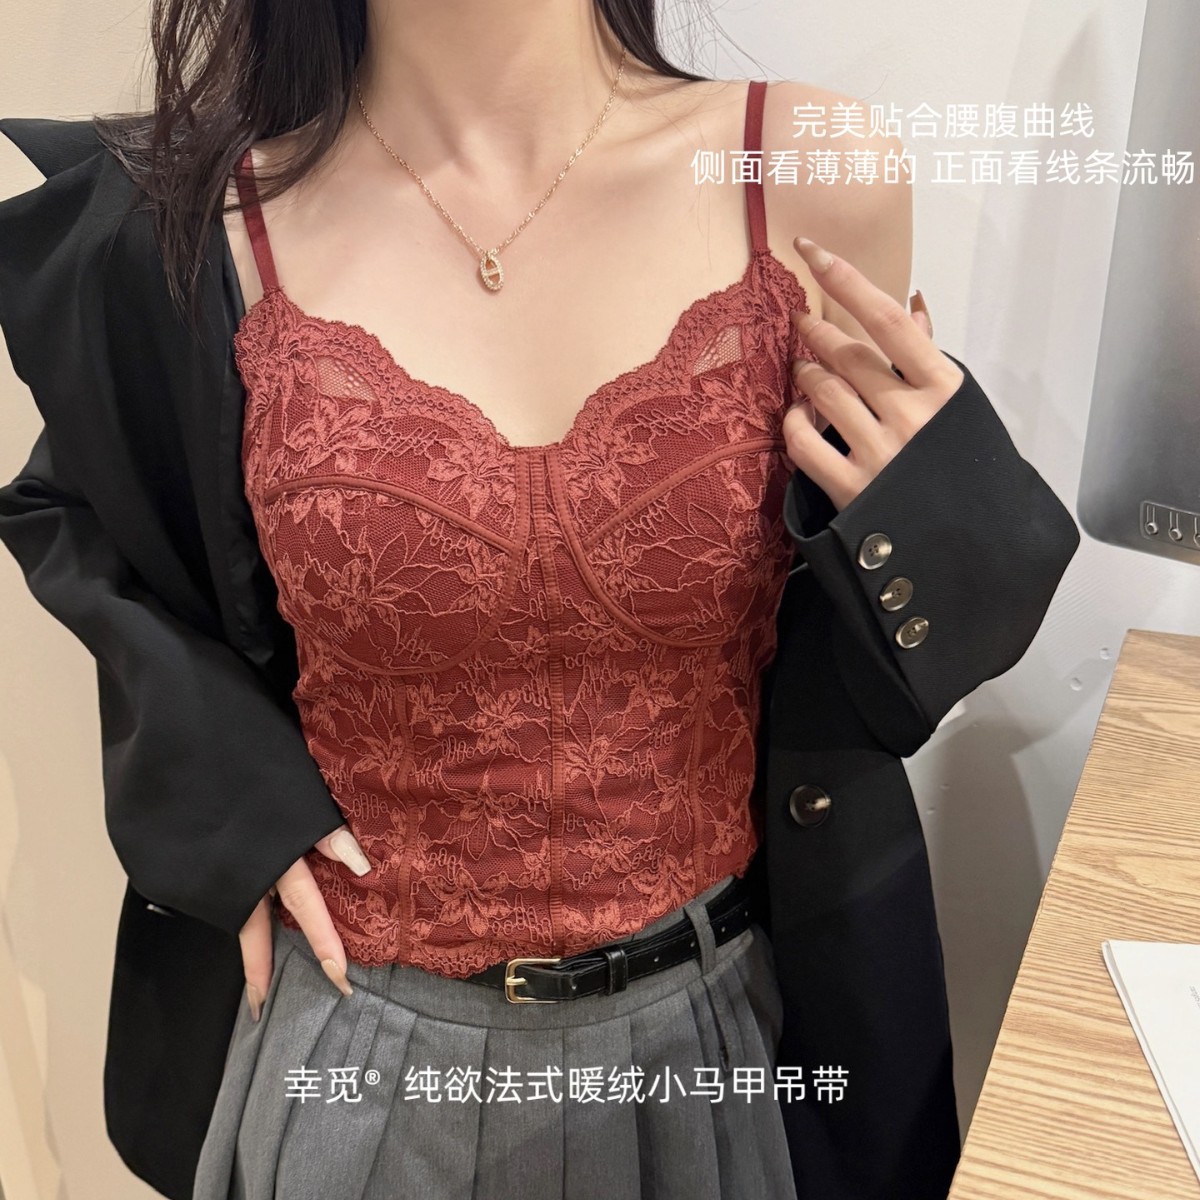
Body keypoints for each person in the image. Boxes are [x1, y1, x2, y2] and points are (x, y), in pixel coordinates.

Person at [0, 1, 1082, 1197]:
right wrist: (219, 787)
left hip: (704, 1055)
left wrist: (951, 515)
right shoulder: (195, 229)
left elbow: (853, 653)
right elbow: (82, 518)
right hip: (360, 1067)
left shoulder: (805, 174)